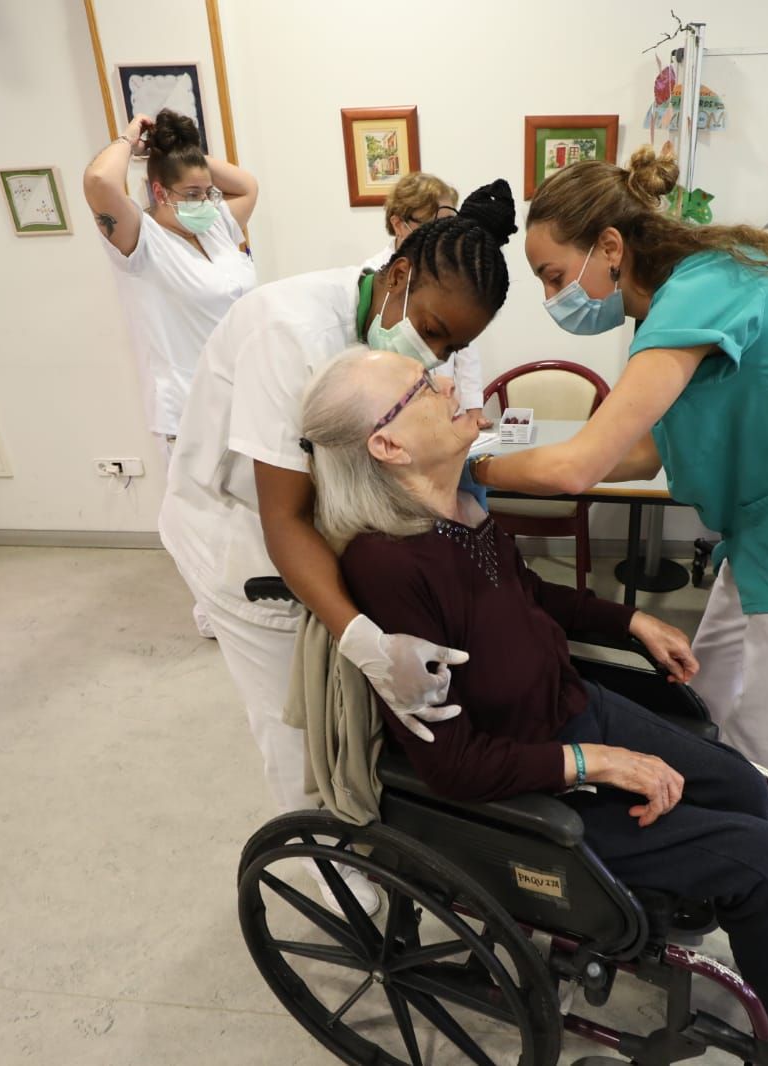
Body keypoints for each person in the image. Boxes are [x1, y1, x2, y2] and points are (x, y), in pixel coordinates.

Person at [302, 347, 768, 1066]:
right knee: (757, 860)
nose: (445, 382)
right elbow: (455, 767)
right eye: (419, 387)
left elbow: (529, 596)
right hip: (527, 787)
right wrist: (593, 762)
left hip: (572, 708)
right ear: (388, 444)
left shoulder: (461, 508)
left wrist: (628, 621)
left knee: (753, 789)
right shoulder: (388, 567)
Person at [470, 144, 768, 791]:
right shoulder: (698, 289)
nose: (553, 297)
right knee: (704, 699)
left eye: (554, 275)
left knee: (761, 762)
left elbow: (578, 466)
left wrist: (468, 469)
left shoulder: (698, 296)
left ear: (610, 246)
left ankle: (755, 874)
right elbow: (645, 451)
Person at [157, 184, 518, 907]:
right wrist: (364, 641)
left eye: (454, 348)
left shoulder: (396, 325)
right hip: (240, 538)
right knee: (295, 719)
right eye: (437, 333)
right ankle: (329, 871)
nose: (436, 360)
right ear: (396, 276)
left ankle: (371, 830)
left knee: (347, 708)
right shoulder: (288, 332)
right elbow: (283, 516)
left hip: (323, 524)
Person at [85, 108, 260, 639]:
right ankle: (213, 613)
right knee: (204, 518)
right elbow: (98, 180)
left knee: (252, 512)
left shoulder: (220, 228)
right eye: (191, 193)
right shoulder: (138, 242)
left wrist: (182, 149)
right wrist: (132, 140)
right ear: (158, 192)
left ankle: (250, 600)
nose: (207, 200)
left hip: (245, 393)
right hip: (185, 405)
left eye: (208, 192)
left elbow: (247, 184)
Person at [361, 173, 489, 428]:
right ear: (398, 224)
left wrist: (474, 407)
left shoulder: (452, 271)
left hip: (444, 407)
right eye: (432, 227)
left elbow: (465, 347)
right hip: (390, 414)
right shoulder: (371, 276)